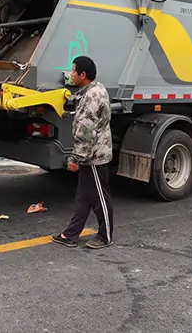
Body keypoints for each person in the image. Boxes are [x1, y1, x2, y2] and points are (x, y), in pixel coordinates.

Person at [52, 55, 114, 250]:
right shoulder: (96, 89)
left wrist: (75, 158)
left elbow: (86, 132)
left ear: (83, 74)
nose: (71, 74)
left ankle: (105, 236)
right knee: (84, 196)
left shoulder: (91, 97)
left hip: (94, 155)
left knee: (100, 197)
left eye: (73, 70)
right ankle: (71, 234)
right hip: (92, 152)